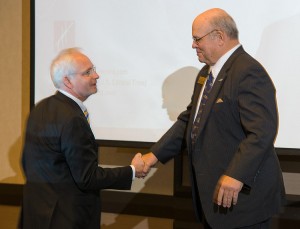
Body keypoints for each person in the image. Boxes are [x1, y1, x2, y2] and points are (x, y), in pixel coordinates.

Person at [142, 8, 285, 229]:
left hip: (243, 203)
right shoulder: (205, 73)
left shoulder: (247, 71)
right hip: (214, 204)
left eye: (197, 38)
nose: (193, 45)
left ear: (219, 37)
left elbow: (262, 132)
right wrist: (153, 156)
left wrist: (236, 175)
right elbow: (190, 121)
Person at [20, 48, 145, 229]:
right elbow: (87, 177)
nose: (97, 75)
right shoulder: (73, 118)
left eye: (93, 69)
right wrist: (132, 171)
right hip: (66, 219)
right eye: (88, 72)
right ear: (67, 81)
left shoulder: (40, 108)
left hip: (37, 215)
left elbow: (26, 163)